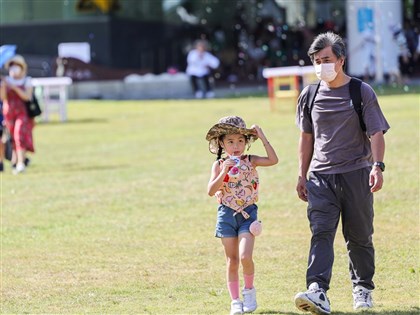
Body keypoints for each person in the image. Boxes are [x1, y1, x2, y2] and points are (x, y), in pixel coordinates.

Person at [294, 32, 390, 314]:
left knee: (359, 235)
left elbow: (376, 132)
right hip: (320, 177)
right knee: (320, 232)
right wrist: (302, 174)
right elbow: (306, 137)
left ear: (341, 60)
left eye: (326, 59)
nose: (321, 64)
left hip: (356, 172)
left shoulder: (361, 91)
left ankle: (362, 289)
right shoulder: (309, 94)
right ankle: (317, 290)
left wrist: (378, 165)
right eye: (316, 60)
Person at [206, 116, 278, 315]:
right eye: (230, 141)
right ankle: (235, 301)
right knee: (232, 260)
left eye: (240, 140)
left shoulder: (251, 160)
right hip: (226, 216)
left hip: (248, 214)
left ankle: (249, 291)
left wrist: (261, 136)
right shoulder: (219, 165)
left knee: (246, 256)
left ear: (246, 142)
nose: (236, 146)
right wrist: (224, 171)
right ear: (221, 143)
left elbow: (273, 160)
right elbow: (211, 191)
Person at [0, 55, 35, 174]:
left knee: (19, 134)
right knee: (12, 139)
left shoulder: (26, 80)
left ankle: (20, 163)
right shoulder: (5, 81)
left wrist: (14, 88)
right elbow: (3, 98)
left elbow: (27, 97)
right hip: (8, 113)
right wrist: (3, 86)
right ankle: (16, 161)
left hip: (22, 113)